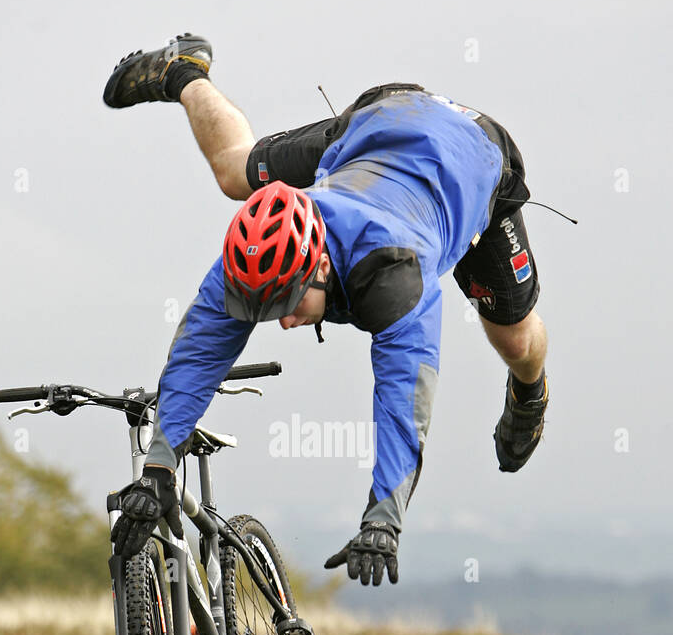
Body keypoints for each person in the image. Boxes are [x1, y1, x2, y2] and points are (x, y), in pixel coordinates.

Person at [105, 33, 549, 587]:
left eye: (289, 305)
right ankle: (184, 71)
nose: (286, 321)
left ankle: (531, 396)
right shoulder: (252, 251)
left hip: (474, 157)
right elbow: (201, 350)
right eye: (269, 308)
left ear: (318, 265)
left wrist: (383, 520)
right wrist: (157, 470)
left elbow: (402, 401)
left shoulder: (393, 276)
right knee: (233, 172)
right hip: (377, 120)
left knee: (514, 340)